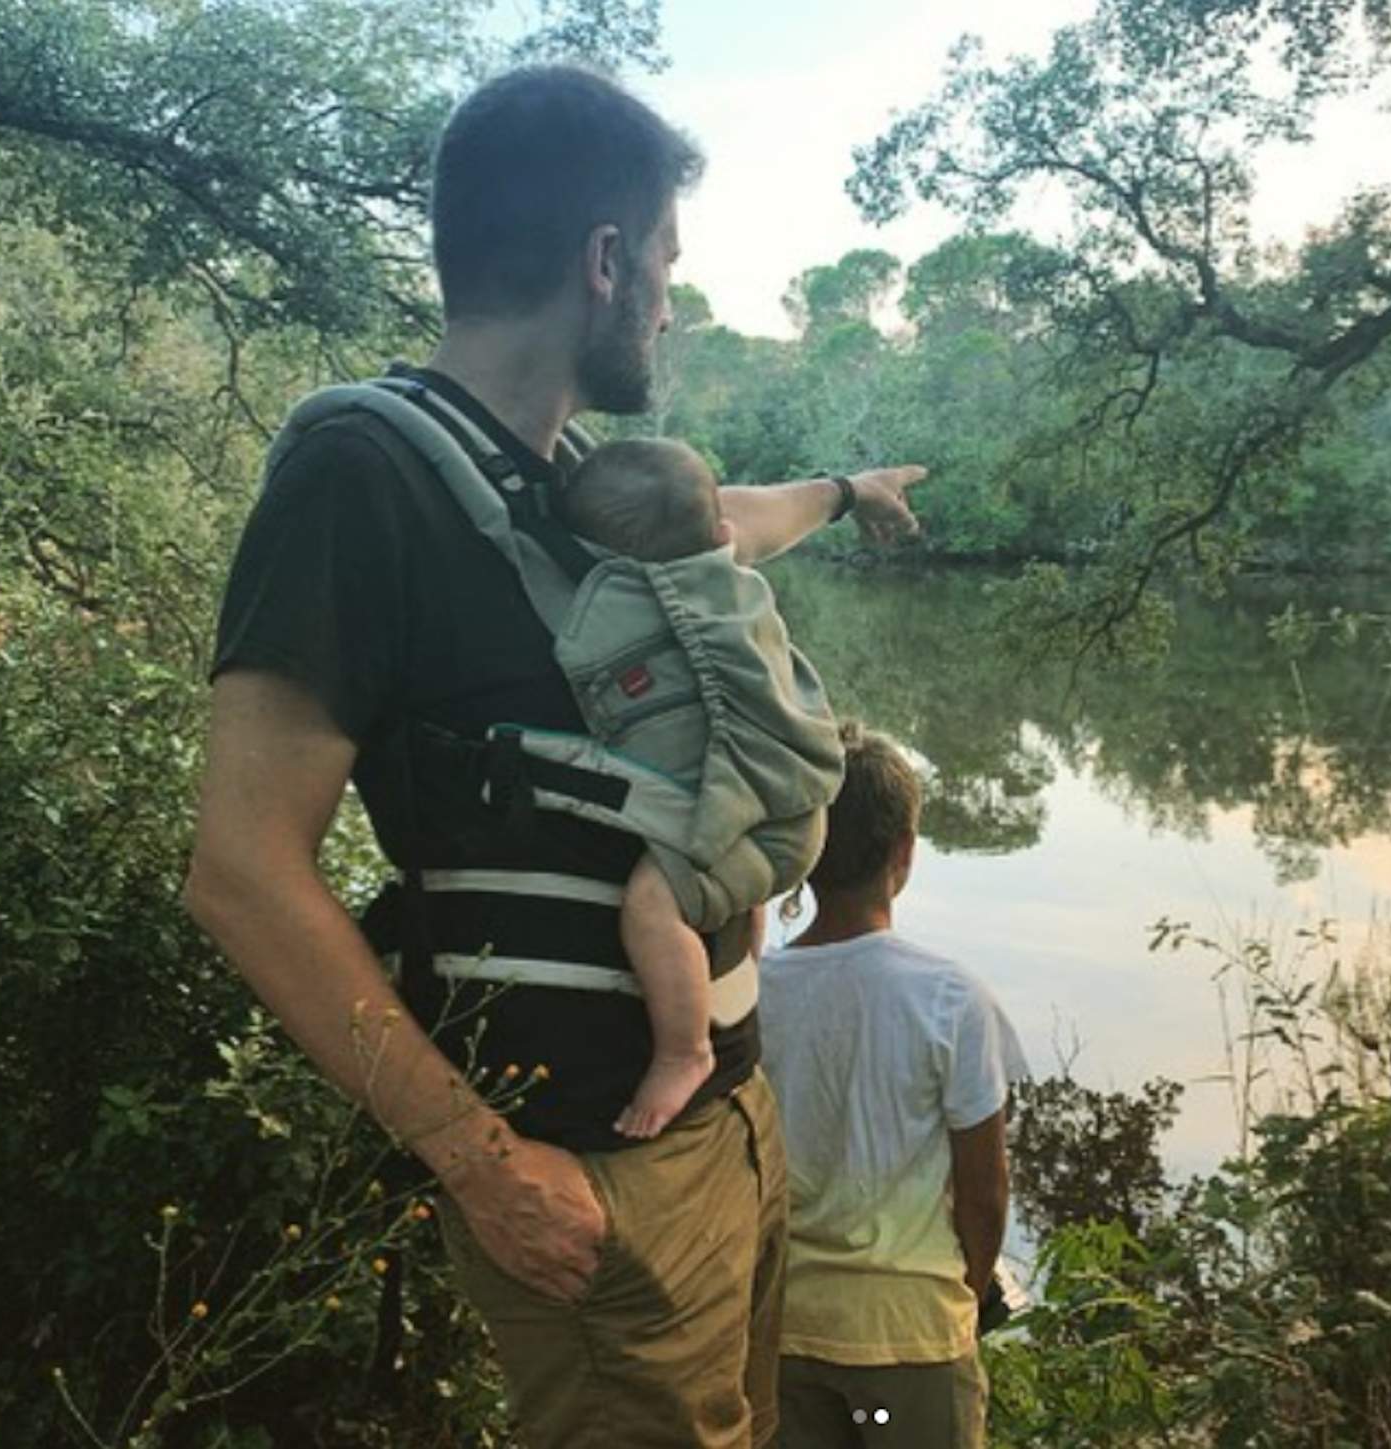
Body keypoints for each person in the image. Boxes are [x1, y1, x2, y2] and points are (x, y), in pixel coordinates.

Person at [183, 63, 925, 1449]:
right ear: (603, 259)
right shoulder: (363, 471)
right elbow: (240, 871)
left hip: (723, 1132)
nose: (668, 302)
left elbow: (734, 523)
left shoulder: (573, 478)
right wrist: (481, 1164)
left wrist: (843, 492)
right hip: (590, 1172)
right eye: (664, 264)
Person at [555, 437, 842, 1138]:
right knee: (717, 882)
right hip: (794, 802)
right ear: (720, 535)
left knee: (653, 906)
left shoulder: (618, 603)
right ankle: (735, 962)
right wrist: (850, 491)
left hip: (756, 819)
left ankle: (684, 1049)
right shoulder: (729, 585)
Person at [758, 724, 1028, 1449]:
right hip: (911, 1341)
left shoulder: (752, 994)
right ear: (903, 853)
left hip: (790, 1332)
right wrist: (964, 1296)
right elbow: (985, 1190)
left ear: (806, 856)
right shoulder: (948, 998)